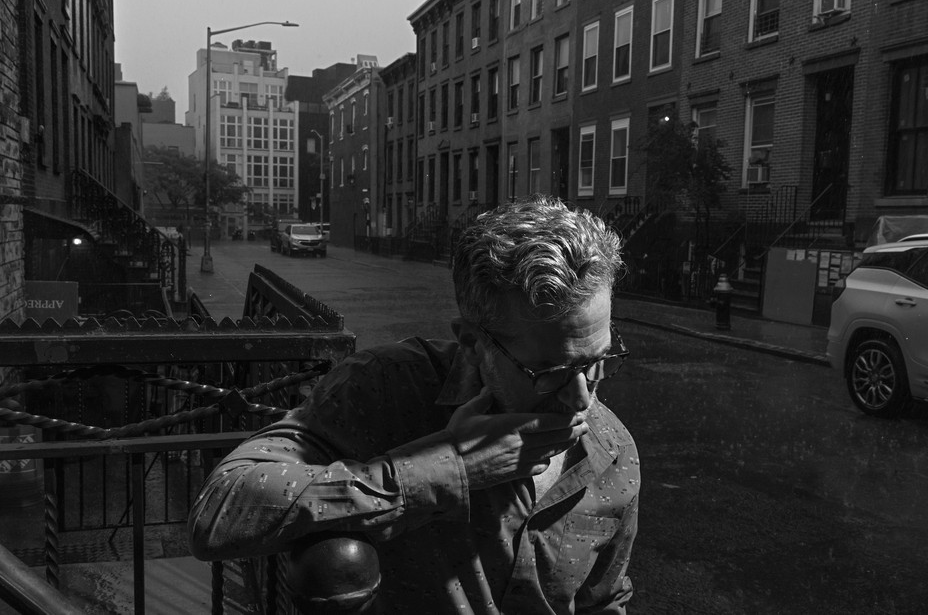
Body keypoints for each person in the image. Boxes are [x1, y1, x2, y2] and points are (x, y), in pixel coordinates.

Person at [188, 196, 640, 613]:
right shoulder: (388, 388)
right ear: (472, 342)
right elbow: (220, 511)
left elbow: (605, 600)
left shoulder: (613, 449)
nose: (583, 396)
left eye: (598, 361)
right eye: (548, 372)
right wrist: (449, 466)